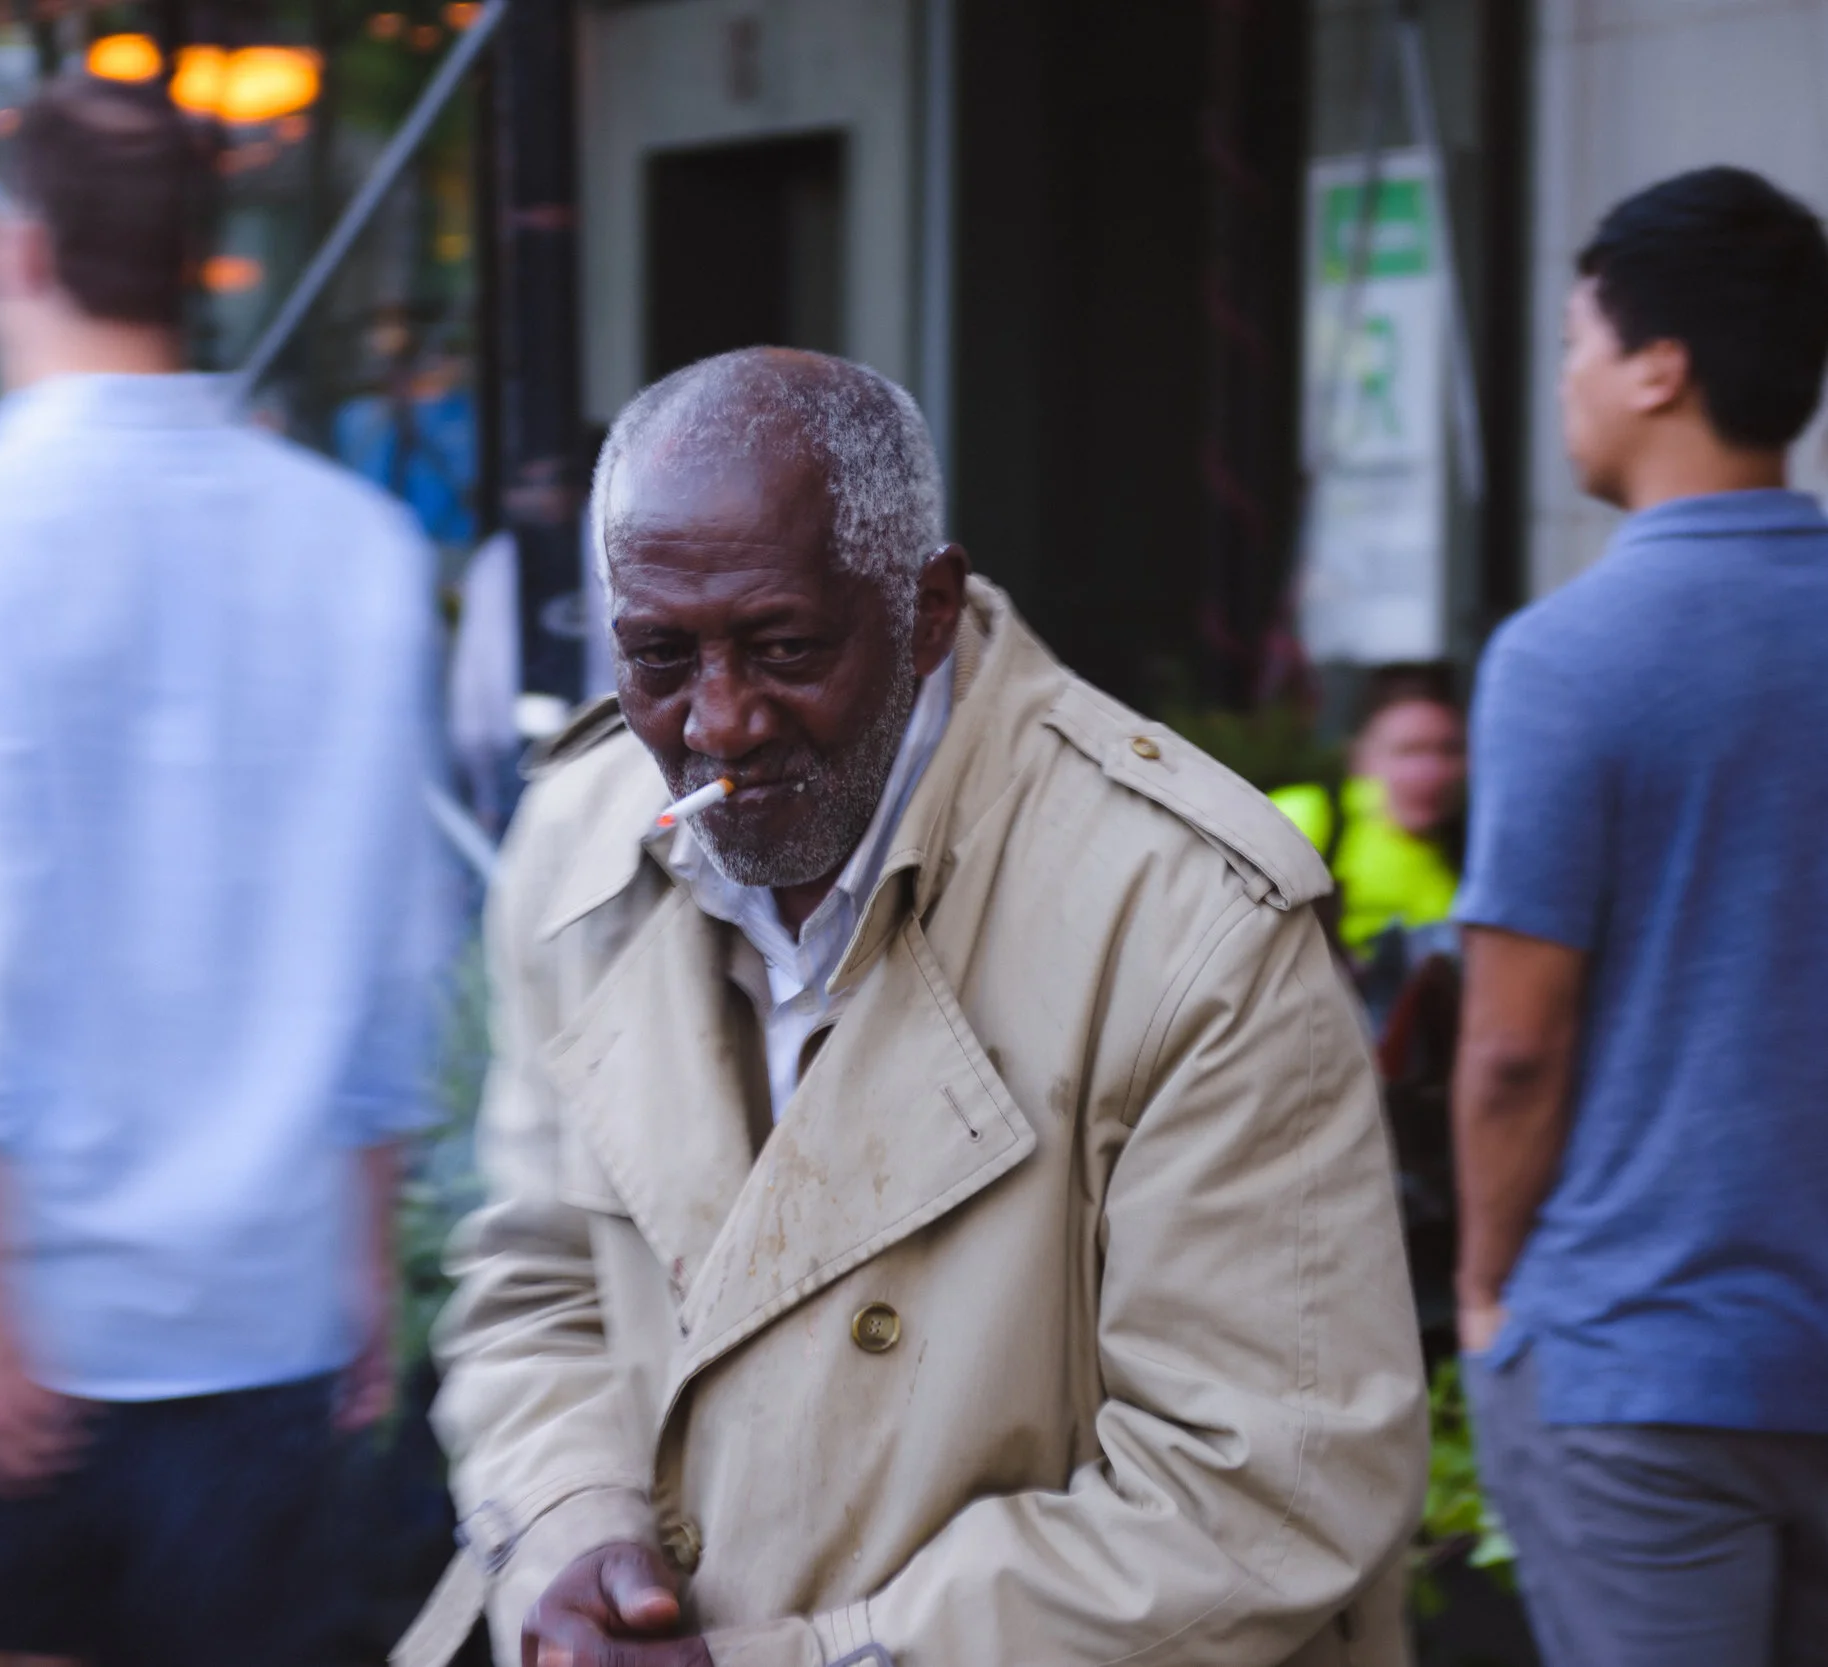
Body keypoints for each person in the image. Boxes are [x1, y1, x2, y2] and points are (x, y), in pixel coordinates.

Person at [397, 348, 1426, 1667]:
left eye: (784, 648)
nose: (720, 721)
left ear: (929, 607)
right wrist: (570, 1539)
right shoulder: (580, 839)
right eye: (660, 655)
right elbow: (537, 1275)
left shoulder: (1186, 917)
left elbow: (1266, 1493)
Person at [0, 70, 442, 1666]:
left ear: (15, 251)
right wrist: (367, 1261)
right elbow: (399, 945)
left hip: (1, 1300)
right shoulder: (357, 545)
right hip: (263, 1305)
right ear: (195, 261)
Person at [1452, 165, 1828, 1667]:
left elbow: (1514, 1046)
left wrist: (1486, 1292)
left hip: (1641, 1365)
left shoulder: (1566, 656)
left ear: (1658, 365)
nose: (1570, 382)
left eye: (1574, 344)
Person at [1270, 661, 1466, 958]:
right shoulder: (1303, 817)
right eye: (1409, 751)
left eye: (1449, 749)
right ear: (1360, 759)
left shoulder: (1476, 846)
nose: (1431, 771)